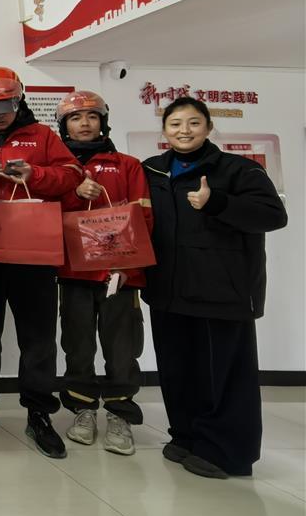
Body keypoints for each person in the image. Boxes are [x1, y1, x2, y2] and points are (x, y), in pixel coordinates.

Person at [142, 97, 286, 479]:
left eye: (193, 123)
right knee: (177, 369)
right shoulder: (152, 169)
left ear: (208, 127)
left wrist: (217, 202)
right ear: (164, 130)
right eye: (175, 124)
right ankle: (187, 436)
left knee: (224, 374)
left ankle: (227, 452)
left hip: (221, 291)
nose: (184, 131)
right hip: (168, 289)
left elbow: (273, 215)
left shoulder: (238, 170)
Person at [0, 66, 80, 459]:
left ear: (19, 99)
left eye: (7, 106)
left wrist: (35, 174)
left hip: (33, 254)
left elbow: (72, 177)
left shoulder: (42, 136)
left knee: (38, 337)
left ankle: (39, 412)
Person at [55, 90, 152, 457]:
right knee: (77, 345)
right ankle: (82, 410)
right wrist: (74, 191)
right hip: (74, 274)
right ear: (64, 126)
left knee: (122, 347)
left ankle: (119, 414)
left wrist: (129, 267)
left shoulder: (128, 165)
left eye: (92, 116)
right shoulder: (59, 169)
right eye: (75, 118)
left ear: (103, 122)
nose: (84, 124)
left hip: (119, 275)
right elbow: (43, 215)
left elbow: (144, 217)